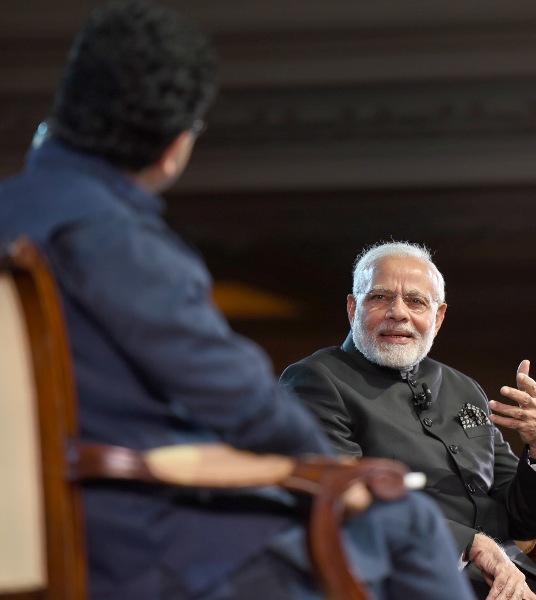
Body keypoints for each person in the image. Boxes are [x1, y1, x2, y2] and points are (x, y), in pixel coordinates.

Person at [0, 3, 478, 600]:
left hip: (33, 545)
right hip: (141, 549)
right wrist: (334, 474)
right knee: (405, 521)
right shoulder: (115, 240)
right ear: (175, 147)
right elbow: (245, 406)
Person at [280, 240, 536, 600]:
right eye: (379, 297)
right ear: (352, 308)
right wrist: (470, 543)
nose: (398, 313)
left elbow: (527, 522)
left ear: (437, 317)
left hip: (506, 576)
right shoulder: (316, 379)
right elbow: (342, 496)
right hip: (403, 575)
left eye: (415, 301)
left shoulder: (464, 388)